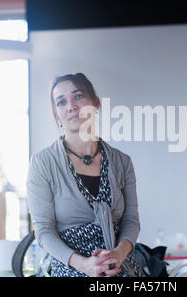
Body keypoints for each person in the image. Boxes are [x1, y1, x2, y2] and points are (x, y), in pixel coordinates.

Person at [26, 73, 145, 277]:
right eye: (61, 102)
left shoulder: (122, 162)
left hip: (119, 264)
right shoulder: (42, 163)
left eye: (78, 96)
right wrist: (84, 265)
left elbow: (131, 220)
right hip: (69, 266)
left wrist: (118, 254)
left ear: (95, 103)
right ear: (56, 114)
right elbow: (44, 230)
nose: (71, 106)